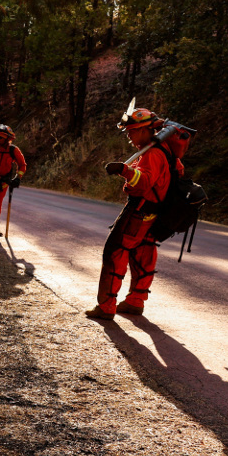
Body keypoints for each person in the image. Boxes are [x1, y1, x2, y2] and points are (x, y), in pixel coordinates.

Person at [86, 108, 173, 320]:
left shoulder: (152, 154)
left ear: (144, 130)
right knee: (142, 254)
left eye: (131, 131)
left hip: (139, 212)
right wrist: (127, 171)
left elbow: (144, 182)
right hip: (153, 213)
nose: (128, 135)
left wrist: (124, 170)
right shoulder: (163, 151)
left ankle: (106, 306)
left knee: (115, 251)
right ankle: (135, 301)